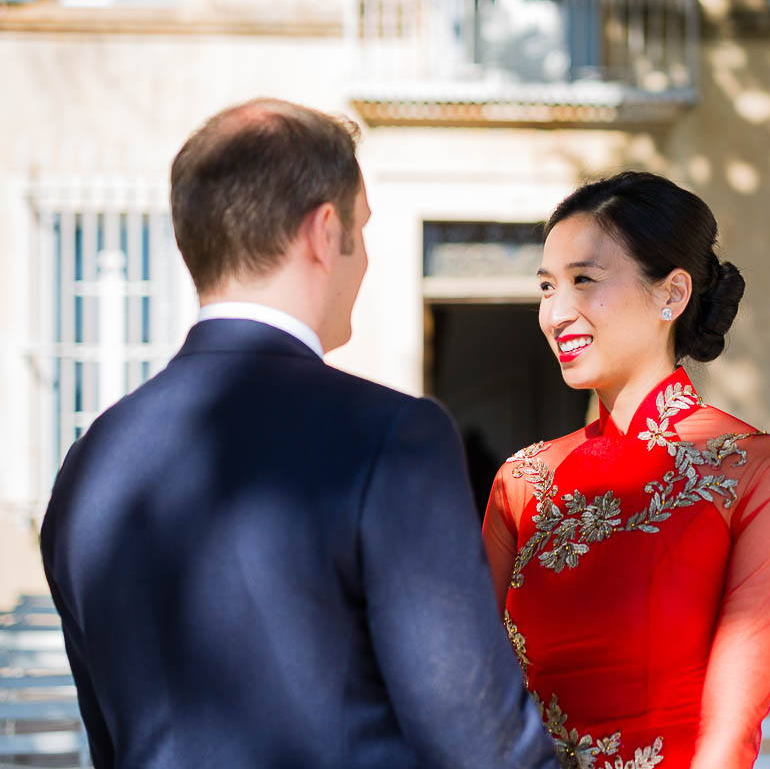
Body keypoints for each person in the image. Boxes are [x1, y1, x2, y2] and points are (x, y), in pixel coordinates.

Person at [40, 99, 554, 769]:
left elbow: (111, 743)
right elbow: (481, 746)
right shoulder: (393, 439)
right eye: (362, 231)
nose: (364, 259)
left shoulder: (89, 464)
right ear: (323, 231)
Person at [484, 171, 770, 769]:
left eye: (584, 281)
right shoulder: (522, 479)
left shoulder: (757, 475)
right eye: (545, 287)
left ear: (672, 294)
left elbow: (731, 727)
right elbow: (472, 685)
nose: (557, 313)